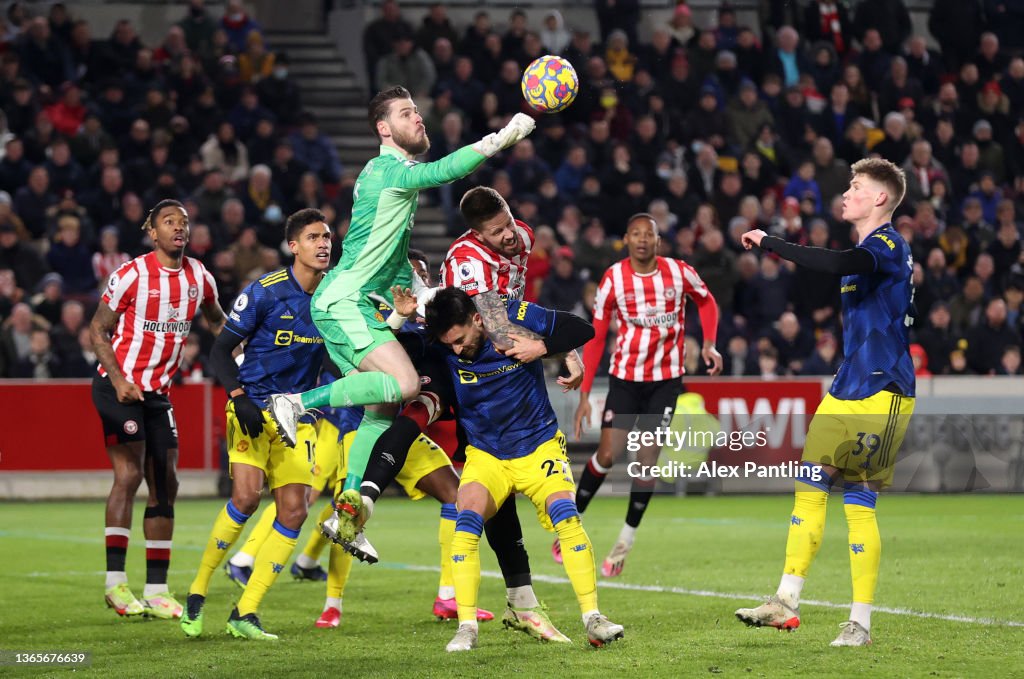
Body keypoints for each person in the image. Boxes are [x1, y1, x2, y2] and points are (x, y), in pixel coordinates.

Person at [266, 87, 535, 534]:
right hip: (343, 300)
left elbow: (391, 260)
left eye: (417, 111)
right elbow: (445, 170)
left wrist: (428, 295)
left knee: (381, 410)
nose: (419, 119)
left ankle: (347, 512)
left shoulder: (394, 184)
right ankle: (294, 404)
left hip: (358, 303)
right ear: (383, 128)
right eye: (407, 113)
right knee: (406, 383)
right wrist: (503, 136)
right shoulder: (386, 170)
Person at [734, 158, 916, 647]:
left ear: (880, 198)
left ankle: (860, 623)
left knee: (859, 503)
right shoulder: (865, 250)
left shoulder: (887, 244)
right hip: (846, 385)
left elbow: (835, 263)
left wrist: (771, 242)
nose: (847, 193)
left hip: (884, 388)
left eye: (856, 187)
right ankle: (785, 601)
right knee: (809, 486)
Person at [424, 286, 623, 651]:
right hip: (486, 454)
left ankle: (593, 618)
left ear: (477, 319)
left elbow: (582, 328)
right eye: (448, 343)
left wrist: (543, 347)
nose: (455, 349)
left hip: (537, 446)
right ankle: (466, 627)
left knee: (567, 515)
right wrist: (400, 316)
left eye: (460, 339)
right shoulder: (442, 341)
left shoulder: (510, 315)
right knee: (464, 521)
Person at [180, 208, 332, 640]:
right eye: (314, 237)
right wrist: (238, 397)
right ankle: (198, 591)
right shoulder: (265, 292)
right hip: (251, 408)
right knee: (246, 497)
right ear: (293, 246)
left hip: (298, 415)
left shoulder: (333, 295)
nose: (324, 244)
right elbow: (219, 351)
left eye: (327, 237)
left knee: (295, 510)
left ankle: (245, 613)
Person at [560, 213, 722, 577]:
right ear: (627, 240)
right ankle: (572, 524)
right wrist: (585, 393)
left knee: (646, 461)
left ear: (658, 241)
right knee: (607, 453)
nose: (643, 240)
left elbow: (707, 302)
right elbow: (598, 335)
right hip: (625, 379)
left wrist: (709, 345)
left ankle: (624, 542)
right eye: (636, 234)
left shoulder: (679, 272)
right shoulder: (614, 278)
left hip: (665, 382)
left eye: (649, 234)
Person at [89, 198, 224, 619]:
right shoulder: (131, 275)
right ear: (153, 231)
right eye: (170, 222)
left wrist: (239, 358)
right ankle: (115, 584)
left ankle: (157, 589)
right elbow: (97, 329)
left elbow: (217, 321)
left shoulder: (200, 277)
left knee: (166, 482)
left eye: (184, 222)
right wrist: (118, 379)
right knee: (129, 474)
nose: (179, 228)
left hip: (157, 393)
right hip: (117, 387)